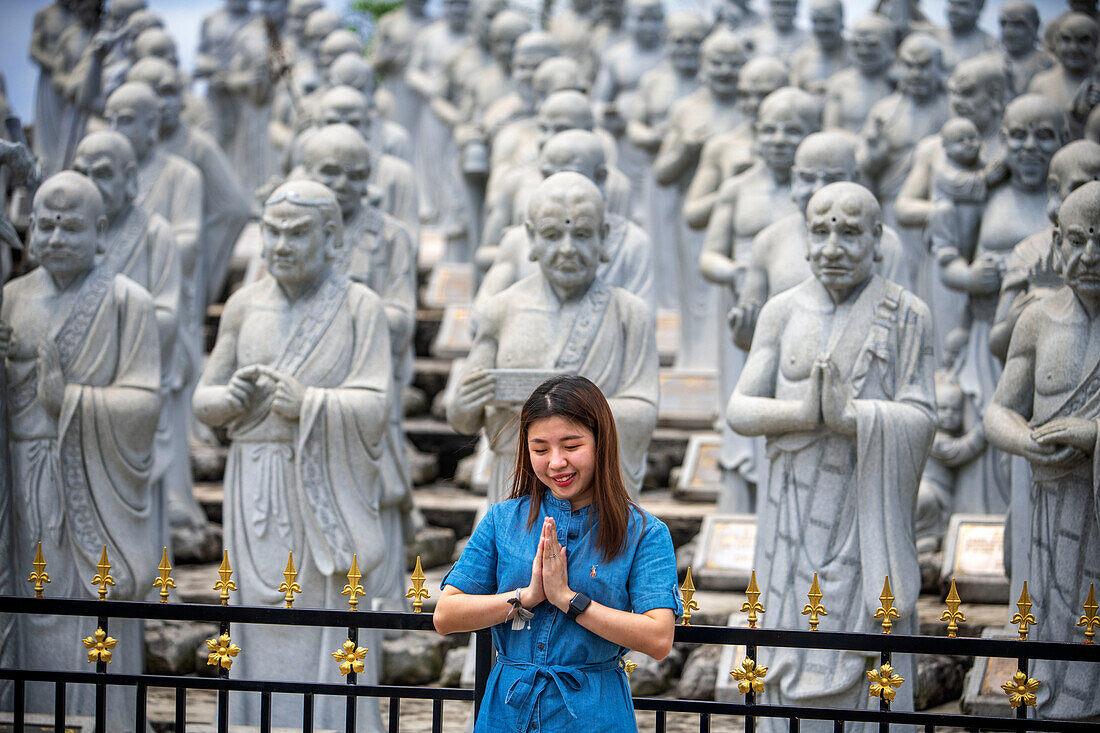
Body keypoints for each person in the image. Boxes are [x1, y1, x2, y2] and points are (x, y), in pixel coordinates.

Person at [434, 375, 682, 732]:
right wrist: (526, 597)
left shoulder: (643, 532)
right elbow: (446, 615)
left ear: (601, 443)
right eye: (540, 449)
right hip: (507, 712)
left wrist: (569, 600)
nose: (556, 462)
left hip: (593, 713)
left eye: (571, 445)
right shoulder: (503, 520)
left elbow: (658, 639)